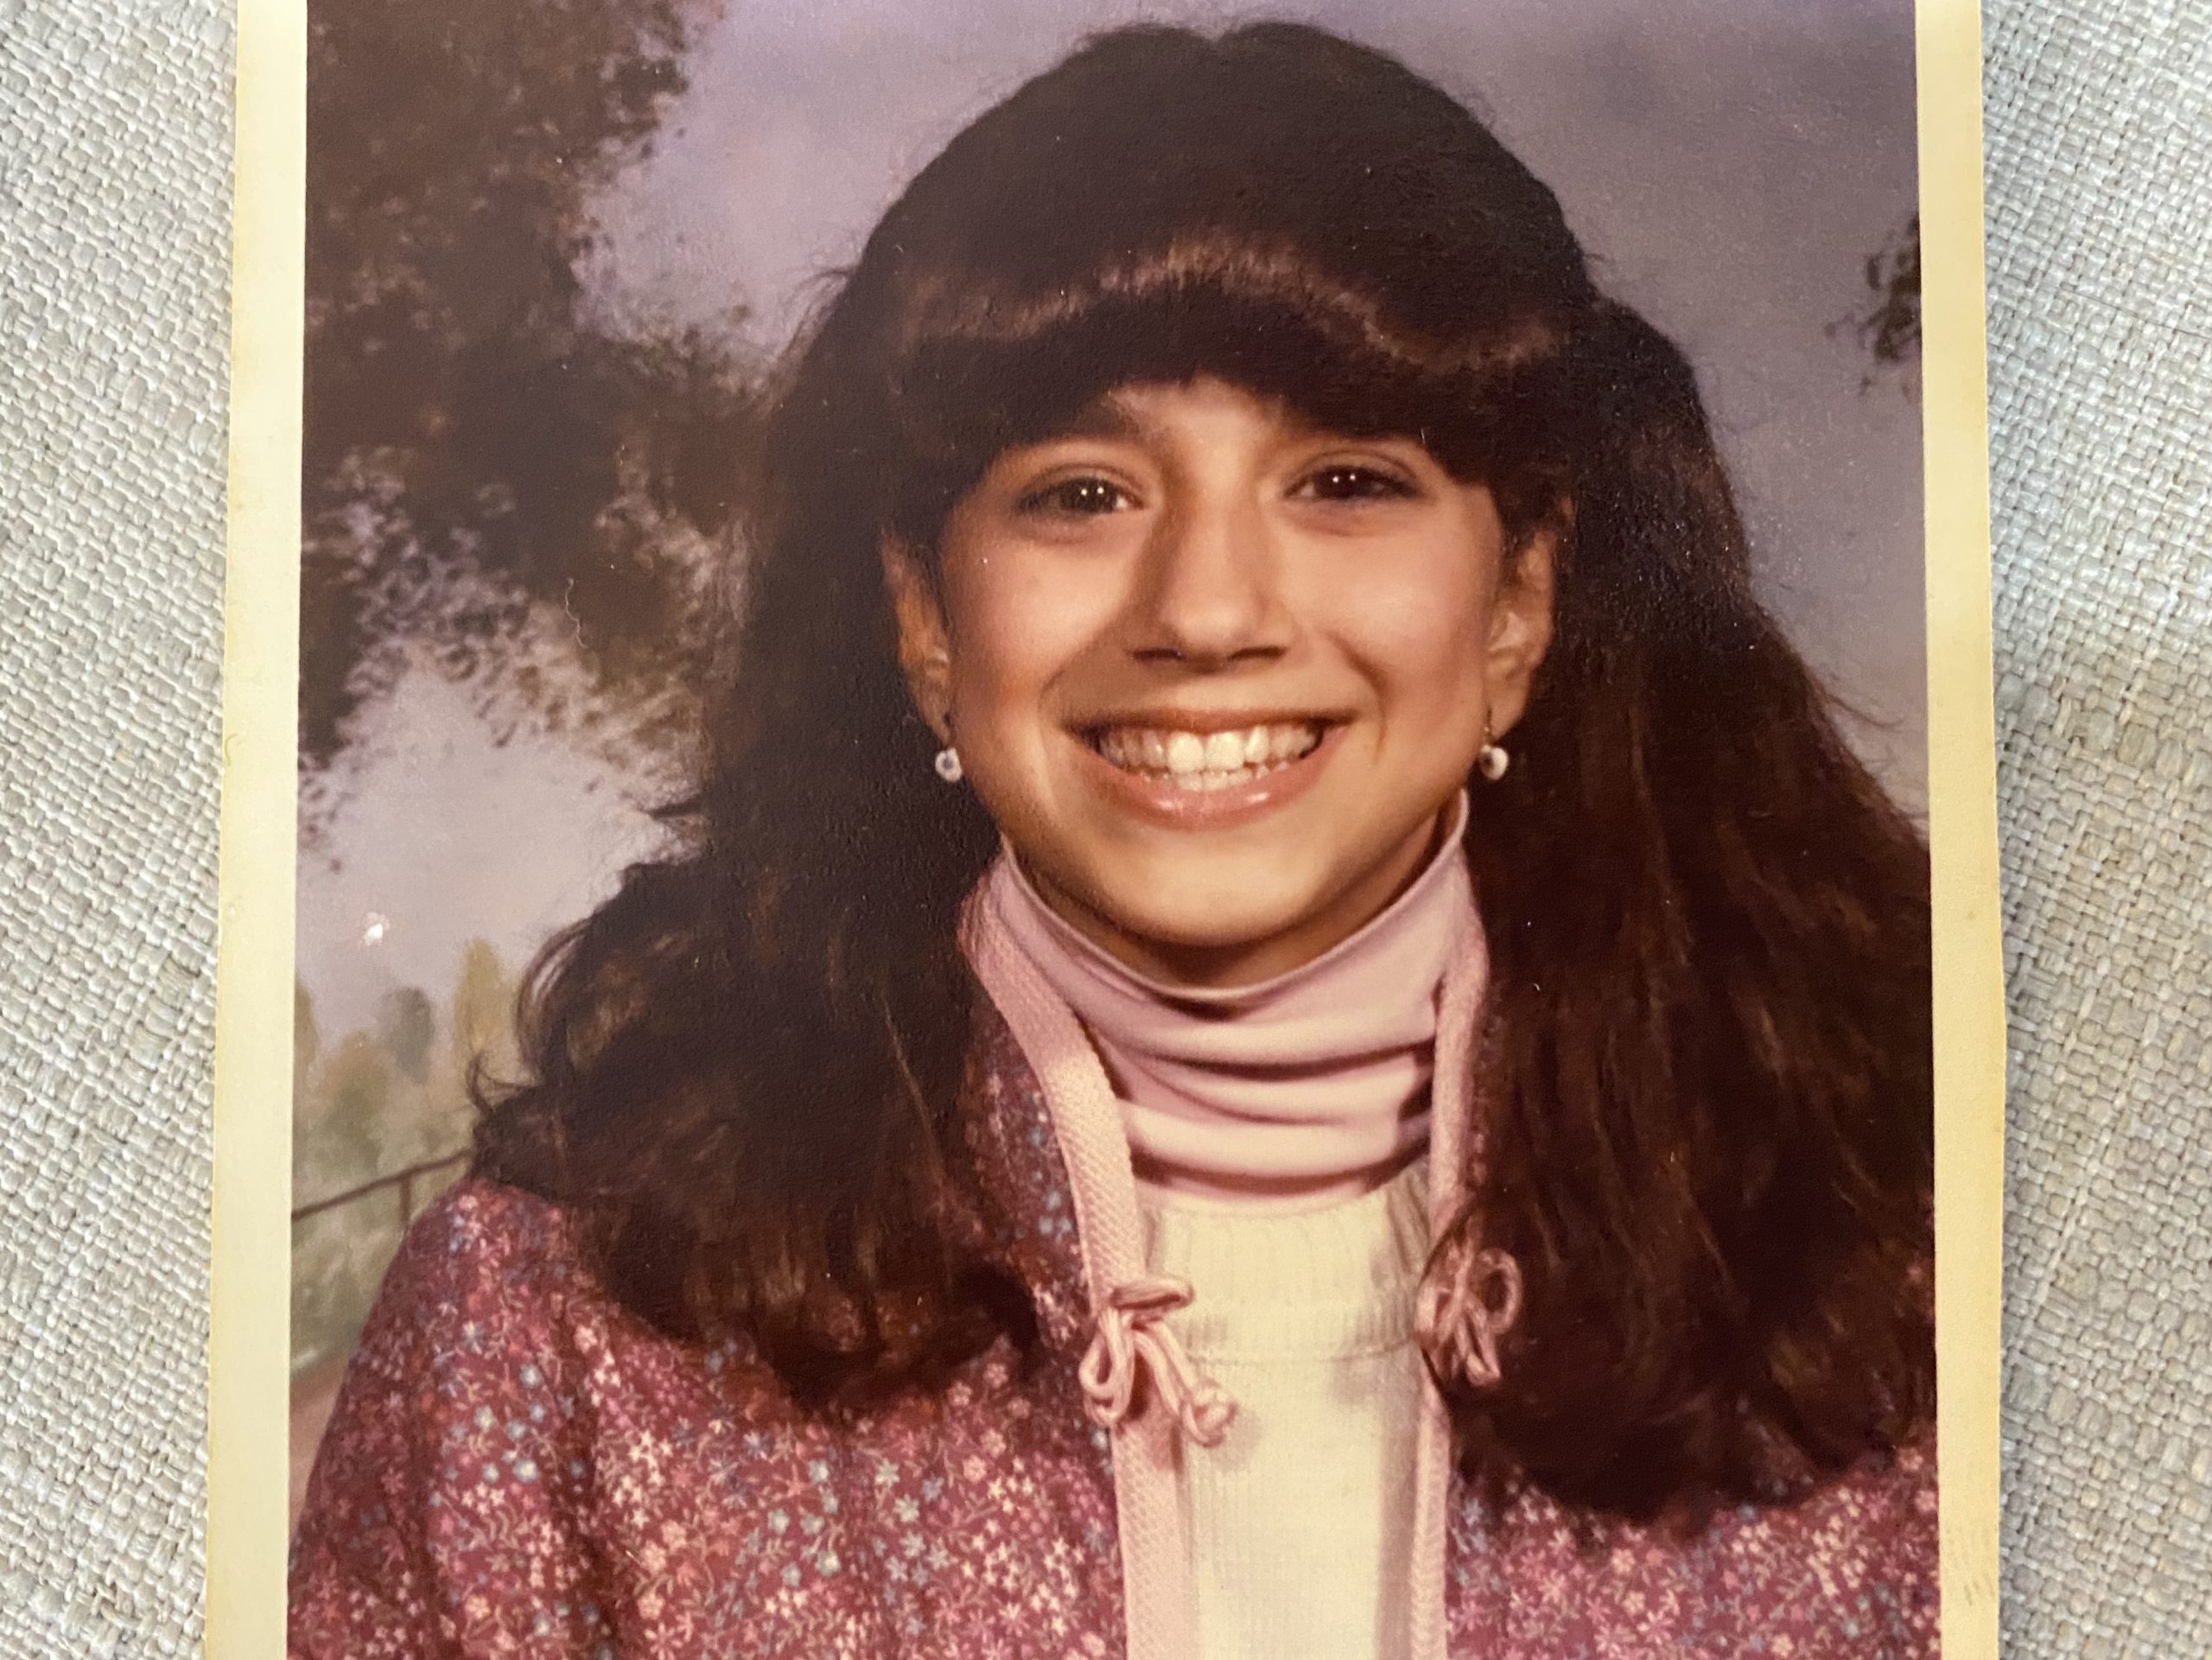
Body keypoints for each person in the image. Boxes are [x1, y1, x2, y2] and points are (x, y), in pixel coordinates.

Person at [289, 20, 1937, 1660]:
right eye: (1083, 493)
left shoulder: (1912, 1269)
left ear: (1518, 601)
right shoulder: (549, 1331)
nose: (1206, 612)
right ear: (925, 615)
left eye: (1345, 480)